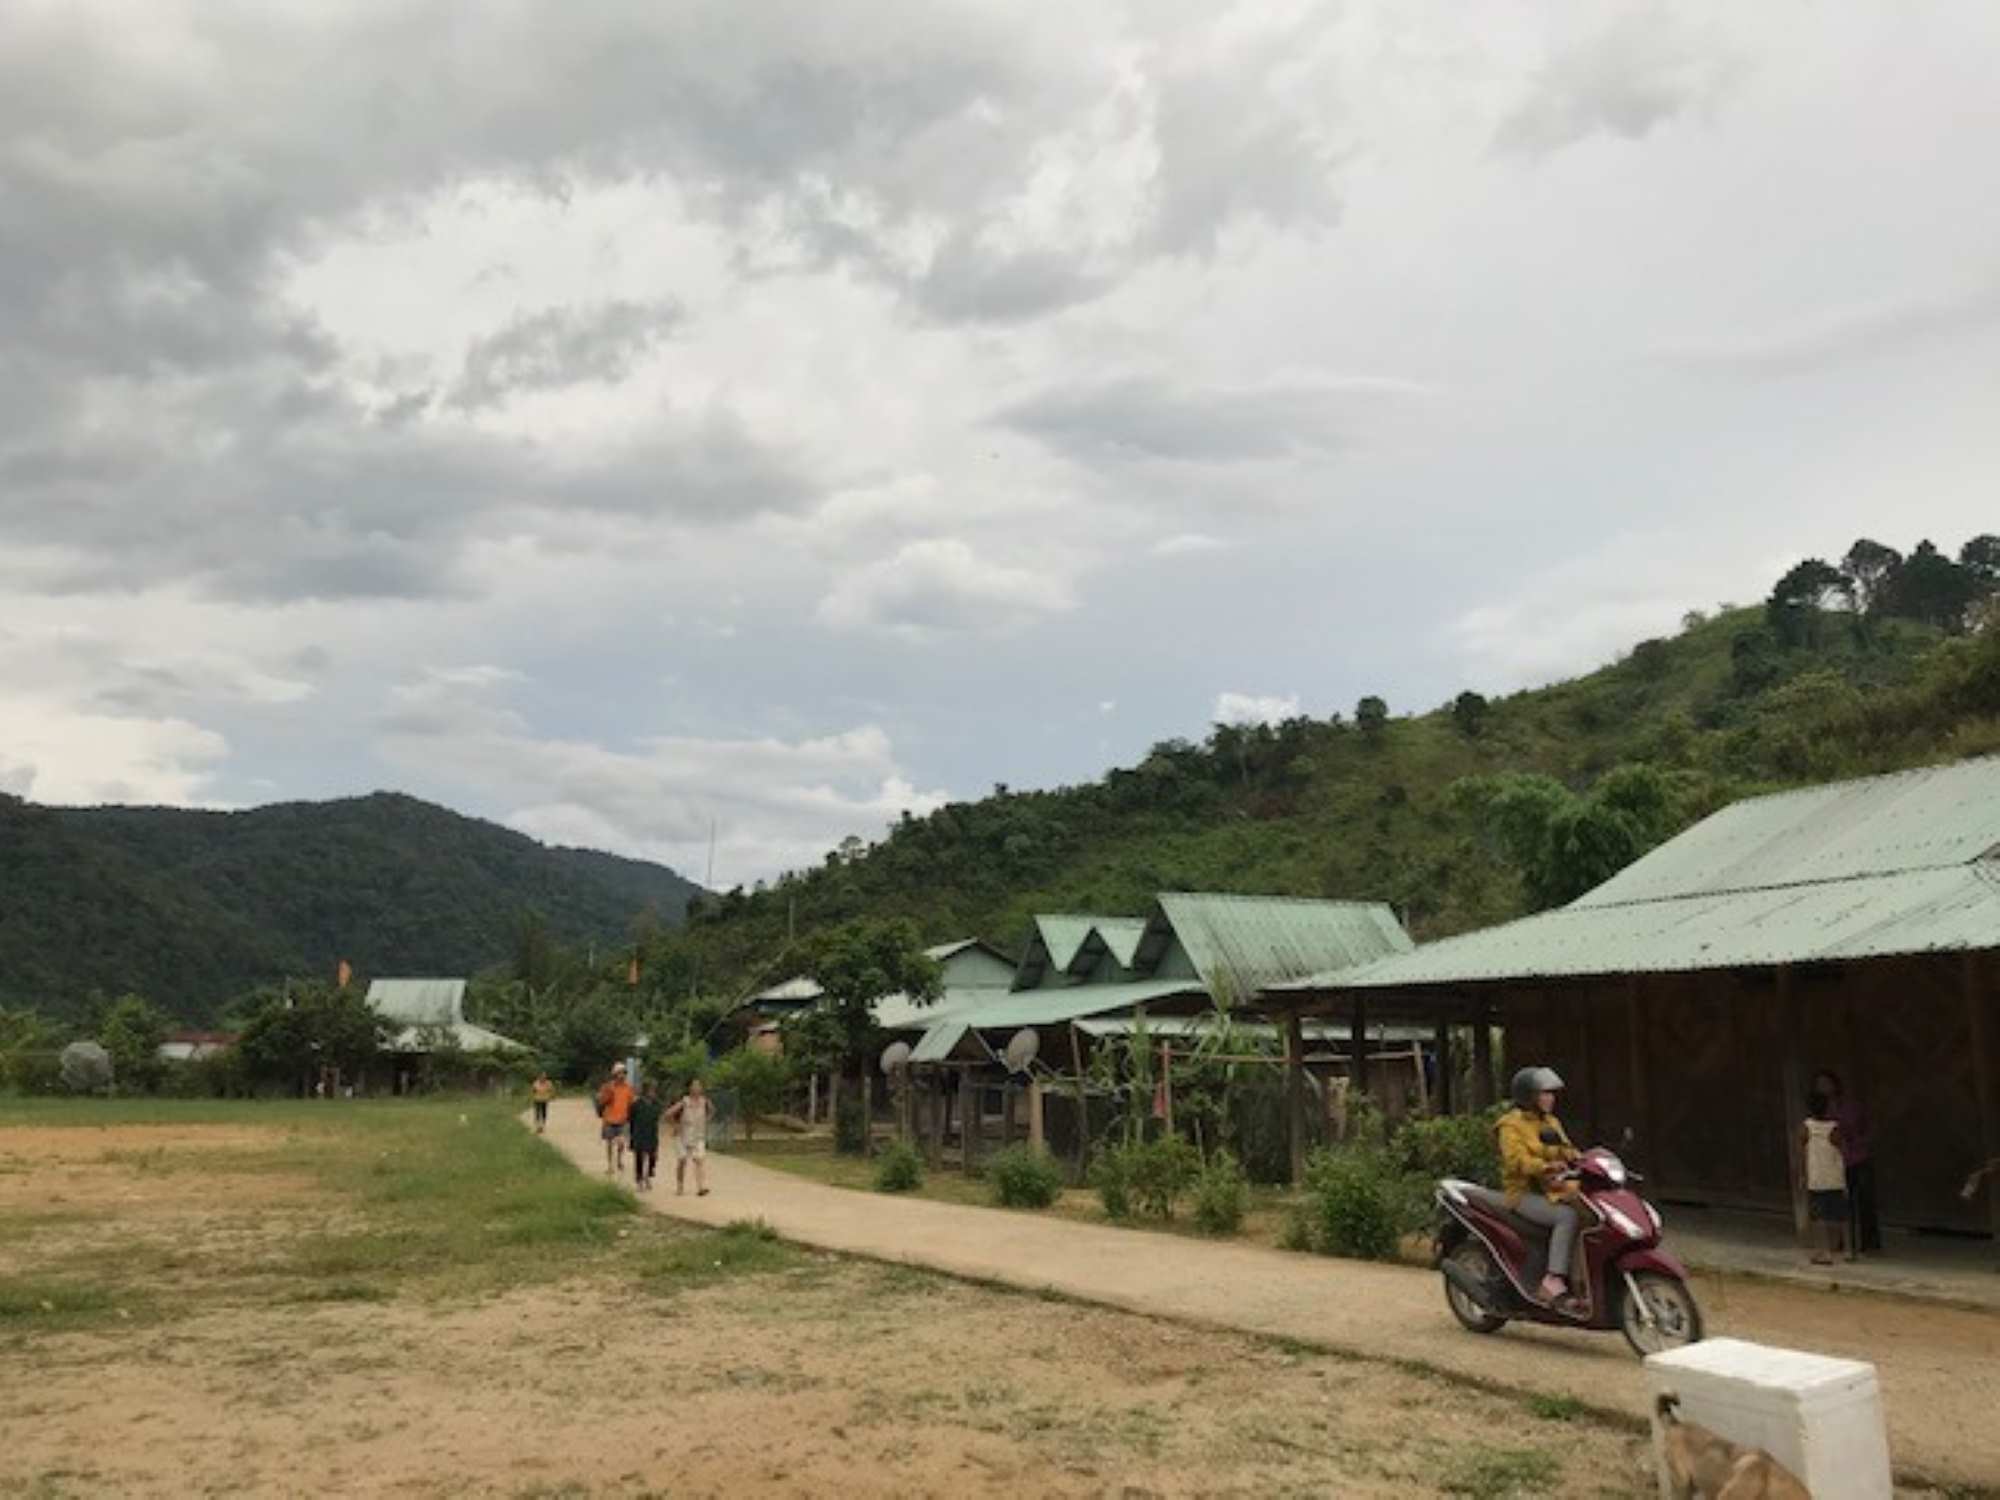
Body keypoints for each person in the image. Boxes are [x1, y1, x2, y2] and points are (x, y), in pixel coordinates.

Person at [1495, 1065, 1583, 1305]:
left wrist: (1578, 1157)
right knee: (1566, 1217)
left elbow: (1566, 1148)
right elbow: (1516, 1161)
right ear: (1529, 1096)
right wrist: (1545, 1167)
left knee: (1591, 1210)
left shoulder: (1551, 1122)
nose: (1550, 1098)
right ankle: (1553, 1280)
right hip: (1523, 1194)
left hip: (1553, 1189)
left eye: (1551, 1093)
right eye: (1544, 1093)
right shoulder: (1510, 1125)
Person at [1814, 1069, 1879, 1254]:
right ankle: (1842, 1241)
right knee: (1840, 1204)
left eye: (1826, 1083)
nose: (1823, 1087)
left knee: (1865, 1201)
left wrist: (1860, 1141)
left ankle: (1870, 1243)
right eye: (1819, 1084)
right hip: (1834, 1161)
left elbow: (1867, 1126)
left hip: (1858, 1157)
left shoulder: (1850, 1106)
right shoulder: (1819, 1110)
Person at [1801, 1090, 1850, 1265]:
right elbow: (1842, 1148)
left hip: (1816, 1177)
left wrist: (1803, 1174)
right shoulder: (1834, 1127)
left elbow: (1802, 1149)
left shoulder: (1807, 1127)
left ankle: (1824, 1251)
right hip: (1834, 1177)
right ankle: (1845, 1250)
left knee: (1819, 1217)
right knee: (1838, 1216)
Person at [666, 1075, 713, 1197]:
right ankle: (680, 1186)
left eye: (699, 1085)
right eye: (694, 1085)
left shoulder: (704, 1101)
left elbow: (712, 1111)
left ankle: (701, 1187)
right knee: (682, 1160)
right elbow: (668, 1114)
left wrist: (705, 1121)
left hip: (698, 1136)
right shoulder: (684, 1101)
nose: (697, 1087)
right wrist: (675, 1125)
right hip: (683, 1136)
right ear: (689, 1088)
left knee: (699, 1160)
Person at [596, 1063, 634, 1175]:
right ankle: (610, 1165)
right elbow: (601, 1101)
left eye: (624, 1073)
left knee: (622, 1143)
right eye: (620, 1073)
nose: (622, 1075)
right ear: (615, 1074)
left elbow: (631, 1103)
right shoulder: (608, 1087)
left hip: (623, 1119)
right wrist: (608, 1095)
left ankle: (619, 1159)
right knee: (609, 1143)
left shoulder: (628, 1088)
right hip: (609, 1119)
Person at [629, 1079, 664, 1192]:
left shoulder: (657, 1104)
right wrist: (633, 1133)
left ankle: (648, 1175)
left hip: (652, 1133)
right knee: (639, 1157)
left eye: (654, 1090)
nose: (653, 1093)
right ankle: (639, 1180)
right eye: (651, 1090)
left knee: (652, 1157)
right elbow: (631, 1118)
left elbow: (659, 1116)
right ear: (645, 1091)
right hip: (639, 1132)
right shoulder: (636, 1104)